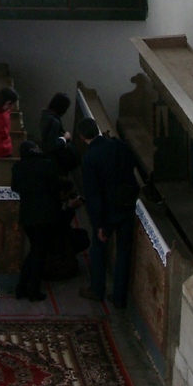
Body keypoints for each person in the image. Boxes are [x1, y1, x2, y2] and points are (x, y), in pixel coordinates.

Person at [11, 140, 87, 301]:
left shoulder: (18, 166)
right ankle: (33, 291)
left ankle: (22, 288)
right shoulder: (47, 164)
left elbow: (15, 187)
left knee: (34, 251)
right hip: (45, 216)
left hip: (27, 216)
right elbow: (54, 188)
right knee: (38, 254)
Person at [76, 117, 140, 308]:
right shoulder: (119, 145)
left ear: (81, 137)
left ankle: (97, 289)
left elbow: (93, 195)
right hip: (127, 205)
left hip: (107, 212)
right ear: (97, 130)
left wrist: (99, 224)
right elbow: (131, 164)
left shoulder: (90, 159)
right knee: (124, 252)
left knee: (99, 250)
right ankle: (119, 298)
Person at [40, 91, 81, 174]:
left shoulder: (45, 115)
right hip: (55, 160)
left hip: (46, 155)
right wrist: (65, 138)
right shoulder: (55, 122)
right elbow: (52, 145)